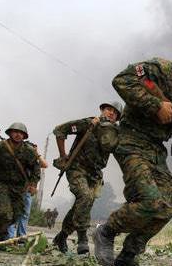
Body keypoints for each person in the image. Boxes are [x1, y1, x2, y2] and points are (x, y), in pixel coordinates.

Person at [93, 31, 172, 265]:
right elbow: (121, 80)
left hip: (155, 150)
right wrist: (156, 105)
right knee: (150, 201)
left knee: (169, 205)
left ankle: (129, 254)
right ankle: (106, 231)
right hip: (132, 140)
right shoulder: (160, 69)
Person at [52, 101, 121, 254]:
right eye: (109, 109)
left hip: (95, 175)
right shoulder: (89, 124)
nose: (111, 113)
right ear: (102, 110)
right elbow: (59, 131)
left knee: (82, 205)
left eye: (115, 113)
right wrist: (63, 156)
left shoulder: (114, 133)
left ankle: (62, 236)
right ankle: (83, 238)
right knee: (85, 196)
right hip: (77, 168)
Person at [0, 122, 41, 241]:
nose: (18, 135)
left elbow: (36, 168)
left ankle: (4, 236)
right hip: (1, 184)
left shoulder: (29, 151)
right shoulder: (0, 146)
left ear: (24, 136)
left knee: (17, 214)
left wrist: (33, 184)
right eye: (15, 132)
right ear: (10, 133)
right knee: (4, 212)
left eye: (21, 133)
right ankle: (1, 239)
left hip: (20, 187)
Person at [7, 142, 48, 239]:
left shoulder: (33, 160)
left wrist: (37, 153)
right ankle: (10, 237)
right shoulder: (19, 157)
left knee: (24, 214)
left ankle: (21, 236)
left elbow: (45, 165)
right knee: (12, 212)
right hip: (14, 188)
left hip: (27, 190)